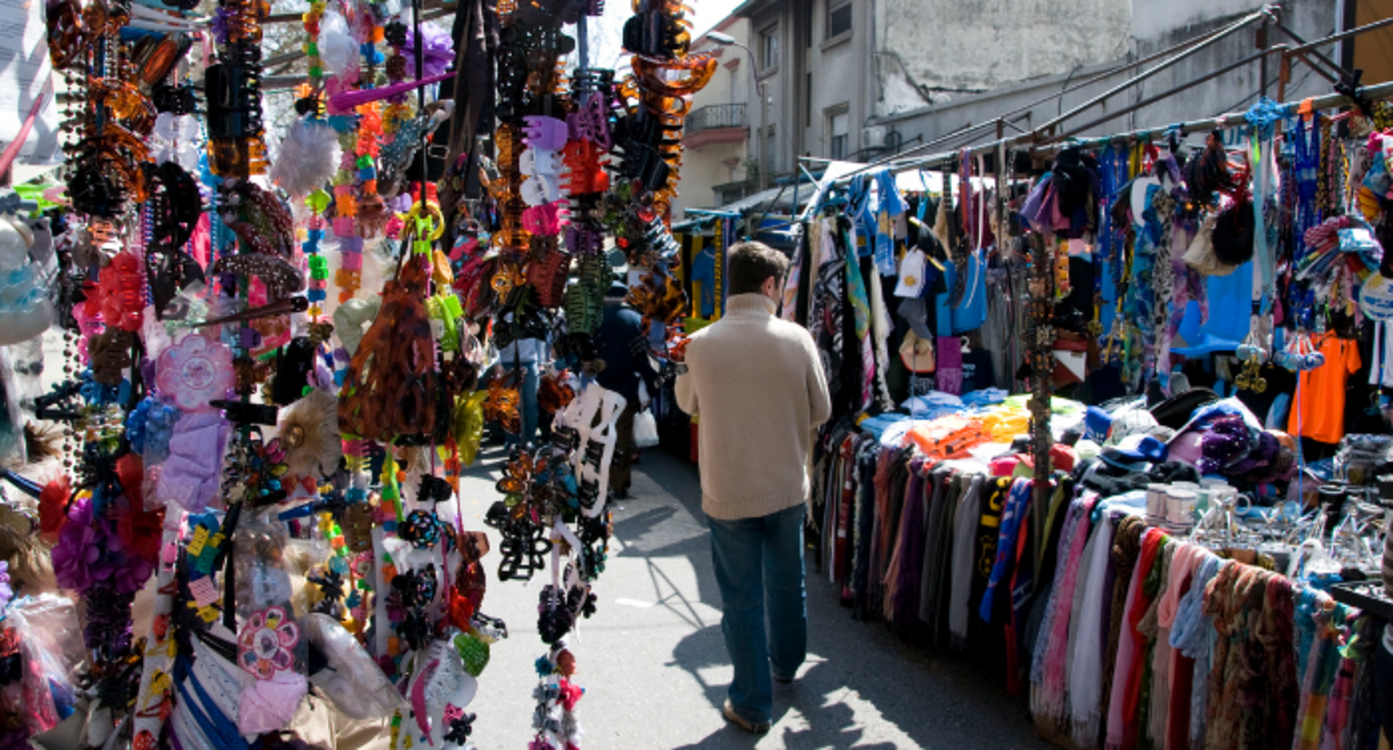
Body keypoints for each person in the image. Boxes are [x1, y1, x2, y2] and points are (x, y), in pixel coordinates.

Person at [674, 241, 831, 734]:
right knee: (787, 582)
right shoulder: (797, 339)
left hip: (728, 489)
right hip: (786, 484)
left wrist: (687, 366)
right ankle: (786, 664)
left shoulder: (702, 345)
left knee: (740, 598)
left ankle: (751, 704)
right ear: (769, 285)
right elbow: (822, 410)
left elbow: (686, 403)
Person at [590, 280, 655, 499]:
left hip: (596, 387)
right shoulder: (635, 320)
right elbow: (642, 357)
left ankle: (597, 482)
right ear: (624, 296)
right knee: (621, 438)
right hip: (625, 389)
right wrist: (651, 385)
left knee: (597, 435)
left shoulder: (592, 319)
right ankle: (619, 484)